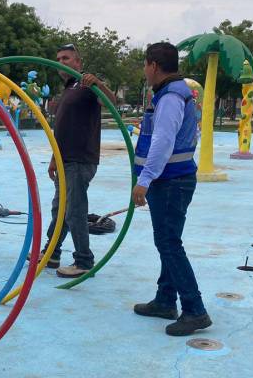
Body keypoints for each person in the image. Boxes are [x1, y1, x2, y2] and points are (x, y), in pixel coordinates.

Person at [131, 42, 212, 336]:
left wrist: (144, 179)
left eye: (144, 65)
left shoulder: (170, 97)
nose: (144, 71)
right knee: (168, 239)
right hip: (172, 179)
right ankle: (166, 300)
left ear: (153, 65)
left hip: (170, 180)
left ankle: (195, 309)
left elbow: (163, 141)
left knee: (168, 243)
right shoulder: (171, 93)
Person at [34, 43, 116, 278]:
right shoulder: (69, 89)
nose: (62, 62)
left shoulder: (87, 85)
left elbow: (113, 104)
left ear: (78, 62)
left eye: (66, 58)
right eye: (58, 59)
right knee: (59, 209)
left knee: (74, 211)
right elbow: (62, 130)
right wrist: (53, 159)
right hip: (64, 160)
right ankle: (52, 253)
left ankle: (83, 261)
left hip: (80, 159)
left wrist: (99, 83)